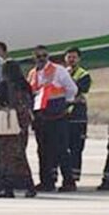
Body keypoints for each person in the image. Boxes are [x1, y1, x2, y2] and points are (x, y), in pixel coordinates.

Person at [27, 45, 78, 192]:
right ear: (34, 58)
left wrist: (65, 104)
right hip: (40, 117)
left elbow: (72, 89)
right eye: (39, 56)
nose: (42, 59)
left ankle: (69, 182)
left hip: (57, 116)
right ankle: (46, 182)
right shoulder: (32, 73)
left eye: (44, 56)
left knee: (61, 150)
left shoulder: (58, 70)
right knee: (43, 151)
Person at [0, 60, 37, 199]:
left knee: (3, 160)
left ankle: (7, 189)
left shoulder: (4, 85)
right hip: (21, 126)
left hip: (6, 127)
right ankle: (28, 186)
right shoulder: (25, 85)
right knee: (20, 157)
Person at [59, 47, 91, 192]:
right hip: (64, 116)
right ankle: (65, 177)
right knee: (62, 148)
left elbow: (78, 90)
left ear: (79, 59)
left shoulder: (84, 74)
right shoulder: (60, 73)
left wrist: (67, 81)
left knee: (76, 148)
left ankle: (74, 177)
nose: (71, 60)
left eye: (74, 57)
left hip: (78, 117)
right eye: (69, 57)